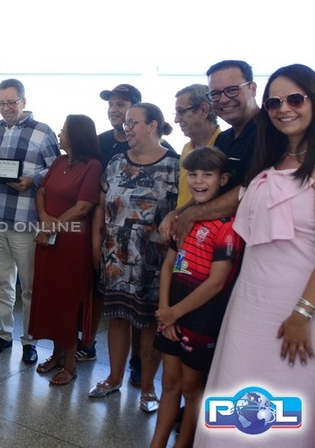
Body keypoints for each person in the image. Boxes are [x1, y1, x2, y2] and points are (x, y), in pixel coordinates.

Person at [197, 64, 315, 448]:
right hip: (248, 304)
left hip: (296, 310)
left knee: (281, 412)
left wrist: (302, 314)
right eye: (274, 103)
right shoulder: (271, 159)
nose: (284, 109)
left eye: (295, 99)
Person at [90, 103, 178, 414]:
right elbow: (101, 208)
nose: (126, 128)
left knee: (150, 323)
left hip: (154, 263)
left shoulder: (175, 165)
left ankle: (148, 387)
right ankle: (114, 378)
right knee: (116, 318)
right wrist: (97, 247)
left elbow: (182, 214)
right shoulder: (116, 162)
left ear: (153, 125)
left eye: (133, 123)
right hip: (115, 256)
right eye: (126, 123)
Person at [150, 147, 241, 448]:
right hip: (171, 314)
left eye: (208, 174)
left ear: (223, 179)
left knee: (191, 388)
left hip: (201, 320)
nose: (199, 181)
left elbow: (216, 283)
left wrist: (174, 313)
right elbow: (168, 266)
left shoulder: (227, 226)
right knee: (169, 382)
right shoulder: (183, 220)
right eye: (193, 174)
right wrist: (165, 310)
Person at [0, 79, 59, 365]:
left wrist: (32, 180)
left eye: (12, 102)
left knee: (29, 287)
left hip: (27, 222)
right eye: (1, 103)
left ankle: (30, 340)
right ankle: (3, 335)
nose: (6, 108)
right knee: (1, 283)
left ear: (24, 102)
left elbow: (55, 168)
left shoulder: (43, 131)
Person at [30, 115, 102, 385]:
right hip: (49, 242)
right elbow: (41, 192)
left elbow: (83, 207)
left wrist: (52, 227)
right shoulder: (59, 162)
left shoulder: (92, 166)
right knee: (52, 299)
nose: (59, 135)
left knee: (68, 302)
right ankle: (57, 354)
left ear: (76, 136)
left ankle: (70, 364)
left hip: (73, 245)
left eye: (63, 131)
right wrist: (44, 217)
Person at [162, 60, 259, 242]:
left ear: (252, 89)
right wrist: (178, 212)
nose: (223, 99)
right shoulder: (223, 139)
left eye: (232, 90)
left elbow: (251, 191)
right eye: (215, 94)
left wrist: (192, 214)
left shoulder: (270, 134)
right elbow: (210, 190)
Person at [173, 84, 221, 209]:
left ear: (203, 110)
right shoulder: (186, 148)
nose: (176, 120)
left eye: (181, 112)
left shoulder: (224, 146)